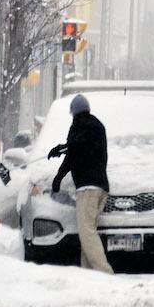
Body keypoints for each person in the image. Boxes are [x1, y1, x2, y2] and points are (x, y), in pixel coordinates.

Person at [47, 94, 113, 274]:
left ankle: (104, 272)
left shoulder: (79, 125)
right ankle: (89, 275)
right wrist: (63, 148)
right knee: (88, 232)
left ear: (74, 112)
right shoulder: (97, 125)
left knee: (87, 233)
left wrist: (58, 177)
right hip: (101, 187)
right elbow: (78, 146)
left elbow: (73, 153)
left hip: (87, 188)